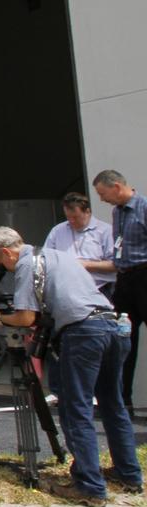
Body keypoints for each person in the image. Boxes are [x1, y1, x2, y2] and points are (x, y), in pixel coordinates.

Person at [0, 225, 141, 505]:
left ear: (7, 252)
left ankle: (89, 486)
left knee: (74, 407)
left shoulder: (24, 265)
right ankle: (128, 473)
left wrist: (0, 318)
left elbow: (25, 318)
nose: (4, 270)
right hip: (112, 326)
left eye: (0, 265)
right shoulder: (58, 255)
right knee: (112, 403)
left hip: (83, 333)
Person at [94, 169, 147, 412]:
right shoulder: (117, 213)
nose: (103, 200)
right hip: (124, 279)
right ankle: (122, 401)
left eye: (103, 194)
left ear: (116, 186)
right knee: (123, 339)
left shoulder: (143, 207)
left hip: (144, 275)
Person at [43, 192, 116, 302]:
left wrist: (86, 265)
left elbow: (116, 264)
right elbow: (45, 259)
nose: (71, 221)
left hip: (99, 289)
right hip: (67, 290)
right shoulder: (57, 231)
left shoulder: (105, 231)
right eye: (68, 217)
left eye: (75, 217)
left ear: (87, 212)